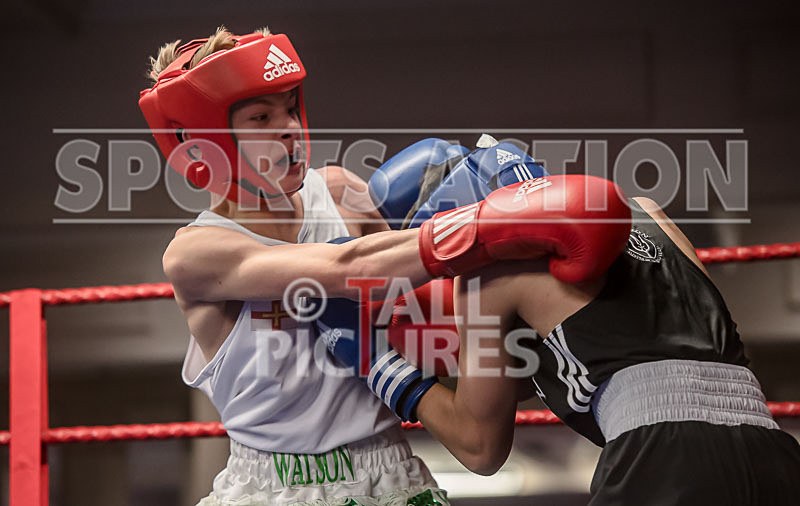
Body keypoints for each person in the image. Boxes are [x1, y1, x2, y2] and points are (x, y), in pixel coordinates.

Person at [140, 28, 631, 505]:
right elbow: (344, 266)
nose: (288, 126)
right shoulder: (195, 254)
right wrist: (487, 225)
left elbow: (418, 319)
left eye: (290, 107)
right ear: (203, 142)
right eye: (261, 118)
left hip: (390, 471)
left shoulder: (337, 193)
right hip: (272, 487)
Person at [358, 138, 800, 505]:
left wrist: (380, 366)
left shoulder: (483, 270)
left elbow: (480, 447)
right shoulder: (646, 212)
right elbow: (644, 351)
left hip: (663, 458)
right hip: (774, 451)